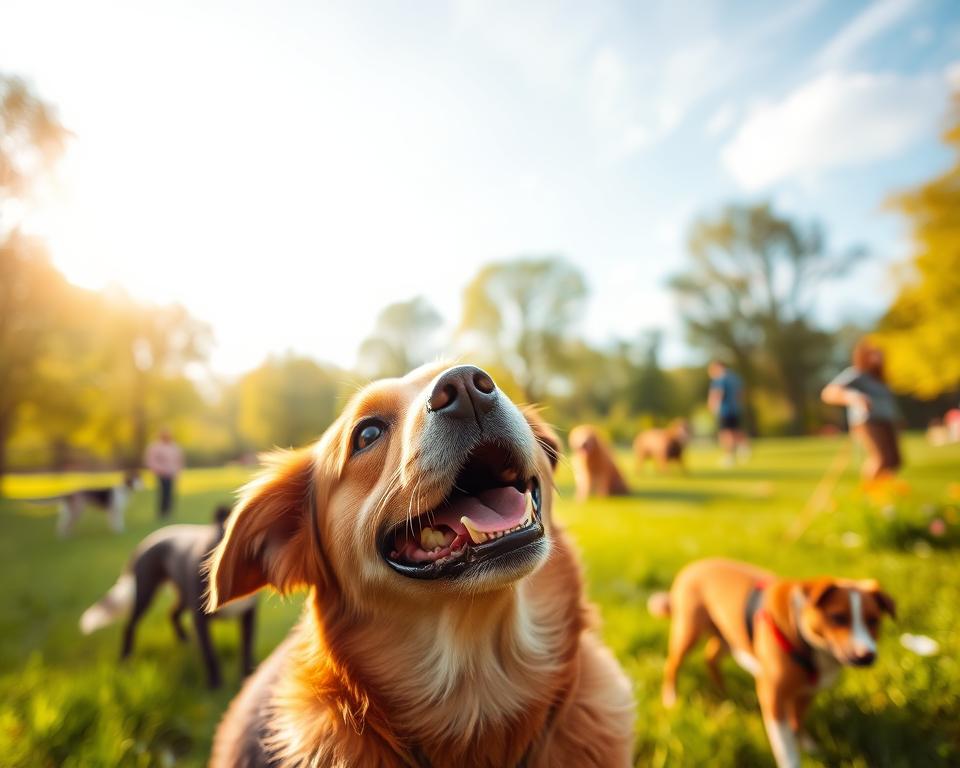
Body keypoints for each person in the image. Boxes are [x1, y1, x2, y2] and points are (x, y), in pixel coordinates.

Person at [821, 337, 902, 481]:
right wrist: (852, 396)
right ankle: (870, 490)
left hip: (886, 420)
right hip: (868, 421)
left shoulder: (880, 378)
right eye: (873, 353)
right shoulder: (856, 374)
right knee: (880, 458)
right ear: (863, 356)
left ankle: (886, 490)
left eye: (878, 353)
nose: (877, 357)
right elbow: (829, 392)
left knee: (894, 460)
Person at [707, 360, 749, 466]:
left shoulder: (720, 378)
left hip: (724, 410)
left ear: (717, 367)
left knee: (725, 434)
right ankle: (743, 448)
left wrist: (713, 406)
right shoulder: (735, 377)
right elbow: (741, 393)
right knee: (736, 430)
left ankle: (729, 457)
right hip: (736, 408)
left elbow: (717, 394)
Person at [144, 428, 184, 518]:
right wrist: (158, 470)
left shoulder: (174, 446)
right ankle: (162, 512)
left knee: (170, 493)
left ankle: (169, 511)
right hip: (161, 473)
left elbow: (179, 460)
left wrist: (178, 471)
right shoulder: (155, 447)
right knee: (163, 493)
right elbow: (151, 460)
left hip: (172, 473)